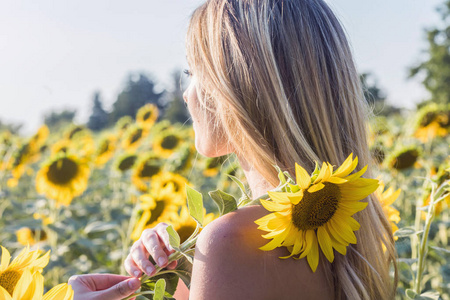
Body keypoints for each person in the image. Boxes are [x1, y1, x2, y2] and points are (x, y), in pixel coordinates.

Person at [69, 0, 398, 299]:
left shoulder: (231, 243)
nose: (186, 95)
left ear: (233, 87)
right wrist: (179, 277)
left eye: (192, 72)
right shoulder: (356, 219)